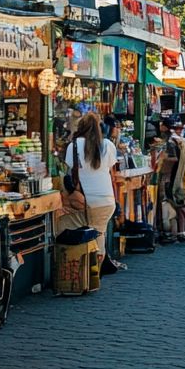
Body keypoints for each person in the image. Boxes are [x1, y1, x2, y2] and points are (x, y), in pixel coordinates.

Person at [57, 112, 122, 264]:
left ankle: (90, 272)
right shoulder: (107, 145)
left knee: (63, 226)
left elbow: (70, 169)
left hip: (86, 201)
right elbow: (111, 171)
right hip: (106, 201)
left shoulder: (74, 145)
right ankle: (93, 271)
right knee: (99, 233)